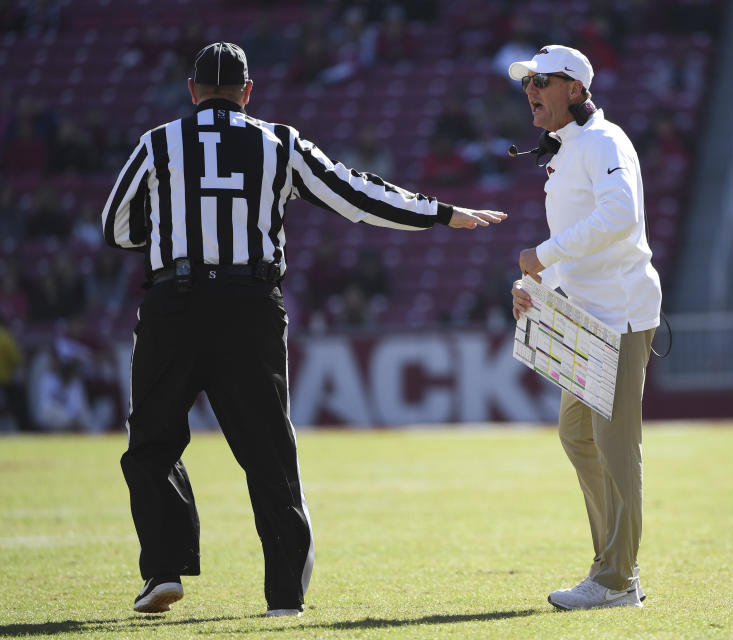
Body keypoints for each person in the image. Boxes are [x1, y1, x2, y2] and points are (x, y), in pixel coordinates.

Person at [102, 42, 505, 618]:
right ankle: (284, 595)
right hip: (249, 304)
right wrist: (440, 212)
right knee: (267, 451)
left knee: (153, 443)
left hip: (175, 303)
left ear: (191, 93)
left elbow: (116, 227)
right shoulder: (279, 142)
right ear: (247, 93)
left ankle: (163, 570)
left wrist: (170, 232)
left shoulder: (157, 142)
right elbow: (354, 195)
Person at [508, 45, 662, 610]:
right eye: (528, 82)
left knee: (616, 447)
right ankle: (614, 567)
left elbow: (620, 216)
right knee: (578, 436)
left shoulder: (603, 140)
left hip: (617, 315)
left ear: (574, 88)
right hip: (587, 317)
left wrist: (543, 256)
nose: (531, 91)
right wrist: (539, 289)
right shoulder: (572, 147)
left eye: (542, 81)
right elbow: (578, 242)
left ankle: (617, 580)